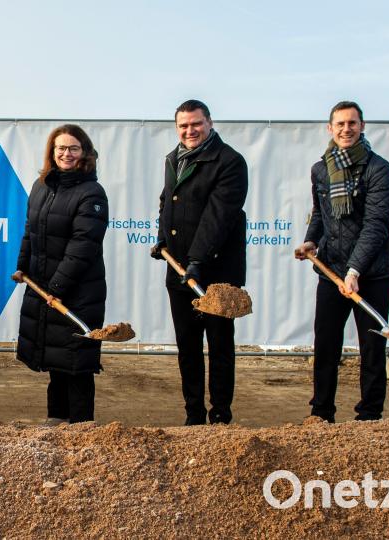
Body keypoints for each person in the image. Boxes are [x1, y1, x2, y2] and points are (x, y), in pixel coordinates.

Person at [295, 101, 389, 423]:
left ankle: (369, 414)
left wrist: (355, 270)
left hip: (372, 275)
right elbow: (320, 214)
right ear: (330, 128)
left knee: (371, 347)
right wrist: (311, 241)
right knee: (326, 345)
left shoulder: (380, 170)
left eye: (352, 123)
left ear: (362, 126)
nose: (346, 129)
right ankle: (321, 413)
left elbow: (376, 226)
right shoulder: (321, 169)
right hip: (332, 272)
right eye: (340, 124)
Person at [150, 99, 248, 425]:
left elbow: (218, 217)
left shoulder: (229, 161)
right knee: (188, 346)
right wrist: (163, 238)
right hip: (180, 271)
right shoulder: (173, 159)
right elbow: (167, 202)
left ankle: (220, 415)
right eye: (183, 125)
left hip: (216, 272)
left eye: (196, 124)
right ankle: (193, 415)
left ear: (209, 122)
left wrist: (196, 259)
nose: (189, 131)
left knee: (219, 346)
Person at [11, 124, 108, 425]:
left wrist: (57, 286)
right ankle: (56, 419)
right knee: (55, 357)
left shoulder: (91, 193)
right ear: (52, 152)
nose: (67, 154)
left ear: (84, 152)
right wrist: (23, 265)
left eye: (73, 148)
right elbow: (30, 230)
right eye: (61, 148)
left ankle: (80, 425)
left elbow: (83, 245)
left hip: (78, 291)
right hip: (46, 287)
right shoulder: (41, 186)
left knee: (77, 361)